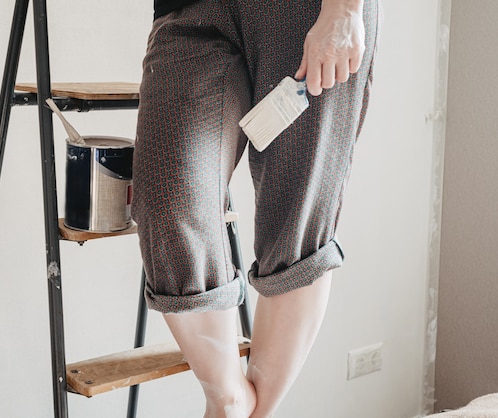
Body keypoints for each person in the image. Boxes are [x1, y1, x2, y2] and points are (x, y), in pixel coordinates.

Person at [132, 0, 380, 416]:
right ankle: (230, 401)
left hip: (308, 9)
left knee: (296, 222)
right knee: (167, 200)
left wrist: (345, 9)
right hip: (190, 9)